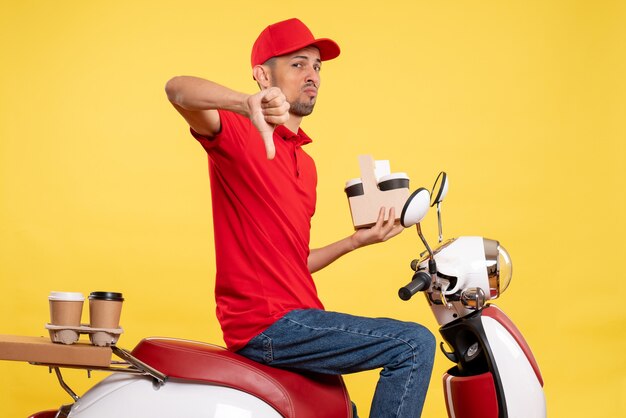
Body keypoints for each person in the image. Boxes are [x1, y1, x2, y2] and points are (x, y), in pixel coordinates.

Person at [165, 18, 435, 418]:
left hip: (303, 318)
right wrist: (244, 103)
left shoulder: (305, 165)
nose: (312, 76)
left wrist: (354, 241)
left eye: (317, 66)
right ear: (262, 75)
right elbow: (177, 90)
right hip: (267, 326)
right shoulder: (237, 133)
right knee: (412, 344)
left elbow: (296, 262)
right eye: (297, 64)